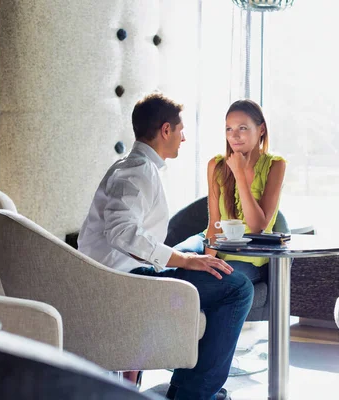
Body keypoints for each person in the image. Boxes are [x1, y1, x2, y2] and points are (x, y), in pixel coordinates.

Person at [78, 92, 253, 400]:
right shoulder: (137, 170)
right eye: (181, 129)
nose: (184, 138)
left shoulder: (134, 166)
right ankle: (192, 394)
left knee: (217, 276)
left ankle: (194, 388)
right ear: (165, 130)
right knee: (236, 289)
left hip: (120, 276)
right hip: (124, 283)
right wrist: (183, 260)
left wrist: (187, 258)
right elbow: (122, 232)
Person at [174, 99, 286, 285]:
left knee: (216, 282)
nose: (234, 136)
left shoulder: (275, 165)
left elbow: (258, 227)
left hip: (249, 256)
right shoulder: (216, 165)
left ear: (261, 129)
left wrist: (239, 174)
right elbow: (214, 224)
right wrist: (208, 261)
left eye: (242, 128)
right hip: (213, 243)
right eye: (229, 129)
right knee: (168, 265)